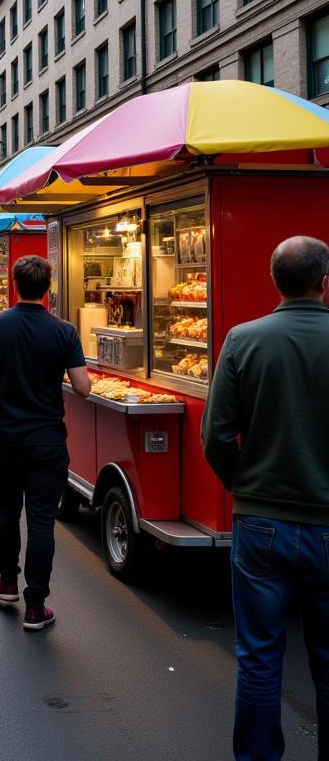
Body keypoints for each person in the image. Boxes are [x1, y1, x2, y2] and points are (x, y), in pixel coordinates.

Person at [201, 236, 329, 760]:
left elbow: (215, 437)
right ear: (324, 283)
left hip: (260, 523)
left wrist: (245, 484)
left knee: (258, 658)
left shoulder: (242, 340)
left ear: (274, 282)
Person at [0, 255, 90, 632]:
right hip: (47, 439)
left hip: (5, 437)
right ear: (48, 287)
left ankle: (7, 583)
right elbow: (83, 387)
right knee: (42, 521)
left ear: (13, 283)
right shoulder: (65, 331)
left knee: (5, 512)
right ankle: (36, 606)